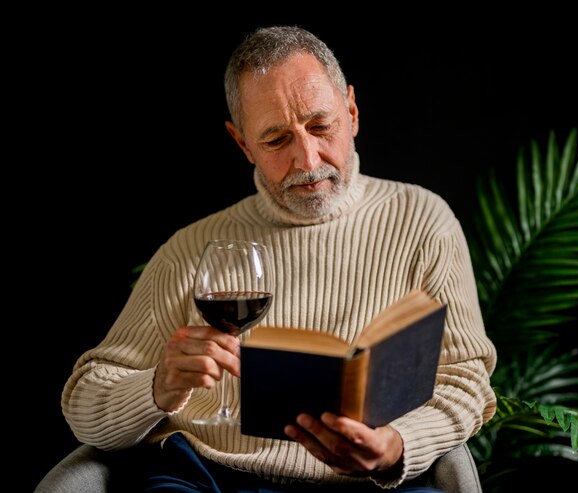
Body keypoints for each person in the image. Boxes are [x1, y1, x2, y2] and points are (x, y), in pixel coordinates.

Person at [61, 25, 497, 492]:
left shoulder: (423, 221)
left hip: (375, 482)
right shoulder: (190, 249)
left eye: (320, 126)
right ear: (242, 143)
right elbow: (86, 400)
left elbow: (466, 380)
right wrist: (156, 388)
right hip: (212, 478)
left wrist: (395, 445)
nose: (307, 159)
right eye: (275, 140)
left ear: (351, 111)